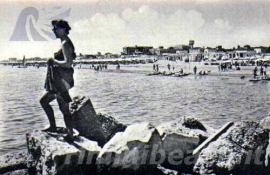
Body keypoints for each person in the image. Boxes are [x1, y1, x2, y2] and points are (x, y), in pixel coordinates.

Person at [40, 19, 76, 142]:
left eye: (55, 28)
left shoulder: (65, 43)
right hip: (58, 81)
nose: (53, 30)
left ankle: (70, 134)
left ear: (62, 29)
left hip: (62, 81)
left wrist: (53, 61)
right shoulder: (63, 42)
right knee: (44, 101)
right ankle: (53, 126)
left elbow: (68, 63)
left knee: (64, 108)